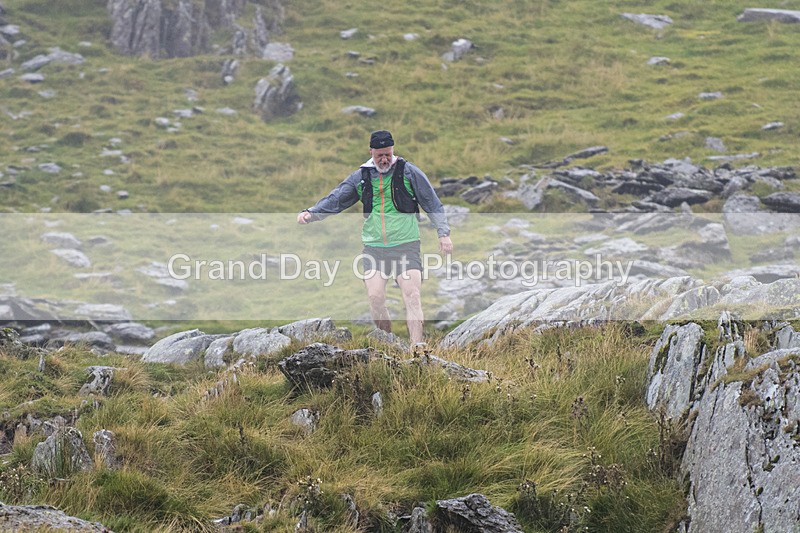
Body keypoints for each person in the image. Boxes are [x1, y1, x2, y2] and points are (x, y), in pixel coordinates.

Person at [297, 130, 453, 347]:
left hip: (406, 246)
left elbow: (432, 204)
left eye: (388, 154)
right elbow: (338, 198)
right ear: (371, 152)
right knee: (375, 298)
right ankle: (387, 344)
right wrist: (312, 213)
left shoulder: (408, 172)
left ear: (393, 150)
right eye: (380, 155)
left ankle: (417, 348)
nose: (384, 159)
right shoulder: (362, 176)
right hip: (374, 248)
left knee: (412, 295)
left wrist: (443, 234)